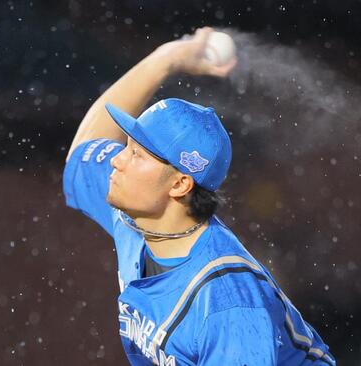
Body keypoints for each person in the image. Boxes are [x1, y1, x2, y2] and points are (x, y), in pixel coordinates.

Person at [63, 27, 336, 366]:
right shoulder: (140, 215)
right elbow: (82, 153)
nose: (117, 158)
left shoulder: (228, 303)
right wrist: (166, 59)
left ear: (179, 184)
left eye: (136, 154)